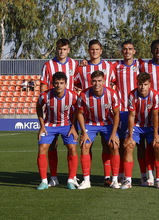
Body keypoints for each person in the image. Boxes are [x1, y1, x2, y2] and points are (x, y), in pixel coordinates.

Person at [74, 39, 116, 186]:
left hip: (106, 115)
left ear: (101, 50)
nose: (94, 52)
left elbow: (113, 83)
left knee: (108, 145)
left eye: (97, 49)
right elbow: (76, 85)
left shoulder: (109, 67)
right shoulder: (81, 68)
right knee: (86, 145)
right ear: (88, 51)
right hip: (88, 116)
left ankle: (107, 177)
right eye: (92, 49)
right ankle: (87, 179)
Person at [40, 38, 78, 187]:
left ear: (68, 50)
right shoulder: (48, 65)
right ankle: (53, 177)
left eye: (64, 49)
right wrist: (48, 103)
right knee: (52, 145)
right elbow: (43, 86)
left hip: (70, 113)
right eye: (59, 49)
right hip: (52, 114)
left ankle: (72, 177)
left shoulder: (75, 64)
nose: (61, 51)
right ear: (56, 49)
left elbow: (80, 83)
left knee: (73, 146)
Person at [112, 40, 149, 185]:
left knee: (141, 145)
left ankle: (143, 175)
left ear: (134, 51)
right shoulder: (116, 66)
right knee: (123, 144)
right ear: (122, 51)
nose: (127, 51)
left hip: (139, 111)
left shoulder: (141, 65)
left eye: (130, 49)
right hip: (122, 111)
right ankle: (121, 174)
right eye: (125, 49)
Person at [76, 70, 120, 189]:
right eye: (94, 81)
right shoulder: (84, 95)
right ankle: (86, 181)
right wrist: (83, 132)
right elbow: (79, 113)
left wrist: (114, 133)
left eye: (99, 81)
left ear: (104, 81)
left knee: (114, 145)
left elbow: (116, 114)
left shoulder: (112, 94)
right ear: (91, 82)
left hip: (108, 123)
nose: (97, 84)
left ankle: (114, 180)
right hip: (90, 123)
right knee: (85, 145)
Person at [120, 72, 159, 189]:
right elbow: (131, 116)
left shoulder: (155, 95)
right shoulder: (132, 94)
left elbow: (155, 116)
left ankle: (158, 180)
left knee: (158, 146)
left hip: (150, 126)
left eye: (145, 84)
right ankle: (128, 180)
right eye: (140, 84)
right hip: (136, 126)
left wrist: (155, 135)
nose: (142, 87)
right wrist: (129, 135)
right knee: (129, 146)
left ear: (149, 84)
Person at [139, 39, 159, 186]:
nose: (157, 52)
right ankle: (150, 175)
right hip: (151, 109)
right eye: (155, 49)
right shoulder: (144, 66)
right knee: (151, 144)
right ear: (151, 50)